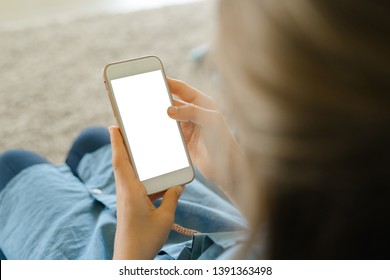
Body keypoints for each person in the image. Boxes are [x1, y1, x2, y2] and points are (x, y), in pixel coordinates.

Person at [1, 0, 390, 259]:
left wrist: (129, 258)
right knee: (92, 143)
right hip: (227, 240)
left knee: (14, 167)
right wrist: (241, 179)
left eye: (223, 70)